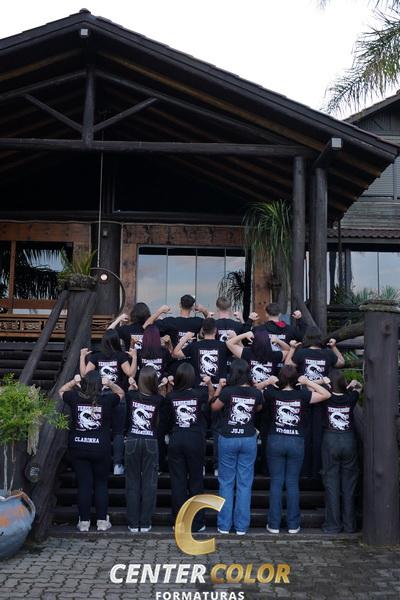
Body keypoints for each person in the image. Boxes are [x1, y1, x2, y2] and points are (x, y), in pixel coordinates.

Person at [263, 365, 331, 534]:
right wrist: (308, 382)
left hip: (275, 439)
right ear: (296, 379)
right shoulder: (303, 395)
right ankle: (293, 525)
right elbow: (326, 394)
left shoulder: (271, 393)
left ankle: (274, 524)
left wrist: (267, 382)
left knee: (276, 482)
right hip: (296, 441)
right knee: (292, 483)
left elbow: (252, 392)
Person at [59, 371, 124, 532]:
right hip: (100, 448)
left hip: (78, 447)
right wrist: (109, 383)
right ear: (100, 385)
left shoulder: (74, 398)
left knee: (84, 484)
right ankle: (102, 521)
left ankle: (84, 522)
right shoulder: (107, 400)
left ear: (84, 384)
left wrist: (74, 382)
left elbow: (61, 391)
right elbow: (121, 393)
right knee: (101, 484)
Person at [285, 326, 345, 478]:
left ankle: (303, 470)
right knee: (318, 434)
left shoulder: (302, 353)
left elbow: (288, 364)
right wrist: (334, 347)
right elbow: (341, 362)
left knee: (303, 433)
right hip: (322, 396)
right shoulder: (327, 353)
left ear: (306, 338)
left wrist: (292, 348)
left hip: (304, 396)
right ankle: (317, 470)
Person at [211, 359, 263, 535]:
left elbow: (214, 407)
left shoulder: (228, 391)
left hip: (228, 437)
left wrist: (218, 389)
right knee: (244, 484)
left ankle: (224, 525)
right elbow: (258, 408)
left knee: (226, 483)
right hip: (248, 438)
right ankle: (241, 526)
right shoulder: (256, 393)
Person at [166, 362, 214, 532]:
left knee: (178, 482)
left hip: (177, 437)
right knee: (196, 482)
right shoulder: (199, 394)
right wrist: (209, 384)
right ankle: (197, 522)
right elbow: (211, 397)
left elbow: (166, 417)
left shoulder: (171, 396)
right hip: (195, 439)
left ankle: (179, 522)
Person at [80, 329, 136, 475]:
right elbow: (130, 373)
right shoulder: (121, 356)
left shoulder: (96, 356)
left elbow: (85, 375)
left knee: (101, 429)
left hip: (101, 398)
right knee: (118, 432)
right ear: (117, 341)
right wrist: (135, 357)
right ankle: (117, 465)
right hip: (118, 396)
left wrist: (82, 356)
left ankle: (102, 462)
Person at [321, 369, 362, 534]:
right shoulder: (351, 397)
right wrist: (352, 385)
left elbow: (313, 390)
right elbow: (359, 387)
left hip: (330, 440)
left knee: (331, 483)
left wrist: (325, 384)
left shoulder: (326, 397)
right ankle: (350, 525)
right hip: (348, 439)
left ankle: (333, 525)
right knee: (349, 484)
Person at [125, 366, 164, 533]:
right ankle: (146, 522)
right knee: (149, 482)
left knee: (132, 482)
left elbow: (126, 400)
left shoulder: (131, 396)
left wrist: (132, 387)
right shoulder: (159, 400)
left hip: (132, 438)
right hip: (150, 440)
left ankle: (133, 523)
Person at [173, 318, 228, 386]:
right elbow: (239, 353)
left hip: (198, 388)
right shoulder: (223, 346)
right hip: (219, 388)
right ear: (215, 330)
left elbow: (175, 354)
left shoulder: (194, 346)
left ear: (202, 330)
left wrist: (185, 338)